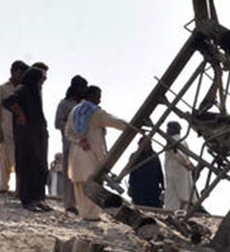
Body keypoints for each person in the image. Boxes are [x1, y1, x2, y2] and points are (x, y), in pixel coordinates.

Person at [65, 85, 128, 221]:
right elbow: (114, 121)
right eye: (98, 97)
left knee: (80, 185)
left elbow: (68, 133)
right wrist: (132, 127)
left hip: (76, 154)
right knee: (94, 183)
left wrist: (78, 140)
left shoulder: (75, 111)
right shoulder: (96, 113)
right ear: (92, 96)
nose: (99, 101)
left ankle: (84, 213)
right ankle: (92, 215)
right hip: (91, 154)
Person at [3, 64, 51, 211]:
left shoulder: (35, 92)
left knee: (40, 168)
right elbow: (8, 101)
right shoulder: (23, 90)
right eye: (40, 79)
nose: (42, 81)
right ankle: (27, 200)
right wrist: (21, 114)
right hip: (26, 138)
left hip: (37, 136)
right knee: (27, 168)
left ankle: (38, 199)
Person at [53, 75, 89, 213]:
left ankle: (82, 203)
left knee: (84, 175)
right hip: (70, 144)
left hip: (84, 146)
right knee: (70, 176)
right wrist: (73, 127)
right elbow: (57, 123)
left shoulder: (85, 105)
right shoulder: (64, 104)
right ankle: (69, 204)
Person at [0, 60, 27, 193]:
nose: (21, 76)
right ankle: (3, 188)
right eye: (19, 73)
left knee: (19, 160)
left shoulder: (23, 90)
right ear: (13, 72)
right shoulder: (2, 88)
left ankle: (19, 188)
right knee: (3, 161)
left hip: (20, 131)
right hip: (5, 130)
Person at [162, 121, 195, 212]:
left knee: (177, 193)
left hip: (177, 170)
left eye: (168, 128)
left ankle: (174, 211)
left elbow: (179, 154)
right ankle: (176, 210)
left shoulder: (175, 140)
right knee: (178, 192)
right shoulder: (180, 140)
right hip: (177, 171)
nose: (167, 130)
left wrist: (187, 164)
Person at [126, 137, 164, 207]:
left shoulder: (154, 156)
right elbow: (131, 173)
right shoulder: (134, 156)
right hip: (139, 190)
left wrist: (163, 186)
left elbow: (159, 172)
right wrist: (130, 188)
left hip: (153, 189)